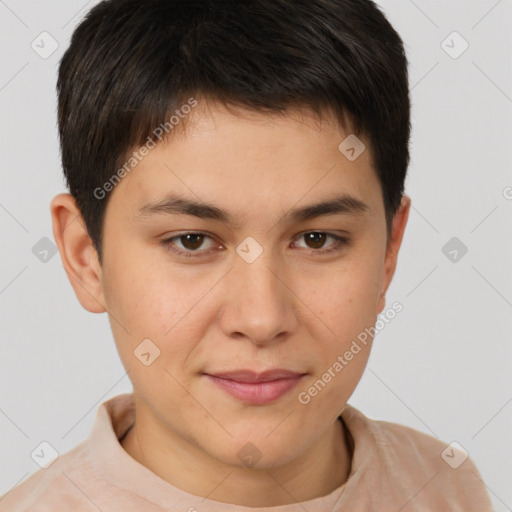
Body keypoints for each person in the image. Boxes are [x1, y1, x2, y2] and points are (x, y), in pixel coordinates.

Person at [0, 0, 493, 510]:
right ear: (87, 258)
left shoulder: (445, 487)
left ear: (388, 251)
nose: (261, 319)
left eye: (317, 239)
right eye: (191, 241)